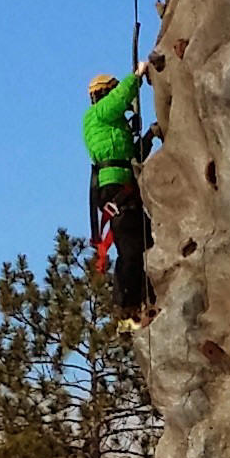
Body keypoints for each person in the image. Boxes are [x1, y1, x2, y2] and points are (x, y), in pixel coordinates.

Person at [82, 56, 162, 324]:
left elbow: (133, 158)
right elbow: (119, 99)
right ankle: (126, 308)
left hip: (123, 186)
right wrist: (137, 75)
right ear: (104, 93)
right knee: (130, 247)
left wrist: (148, 135)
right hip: (115, 188)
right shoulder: (98, 114)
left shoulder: (114, 128)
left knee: (144, 243)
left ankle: (144, 300)